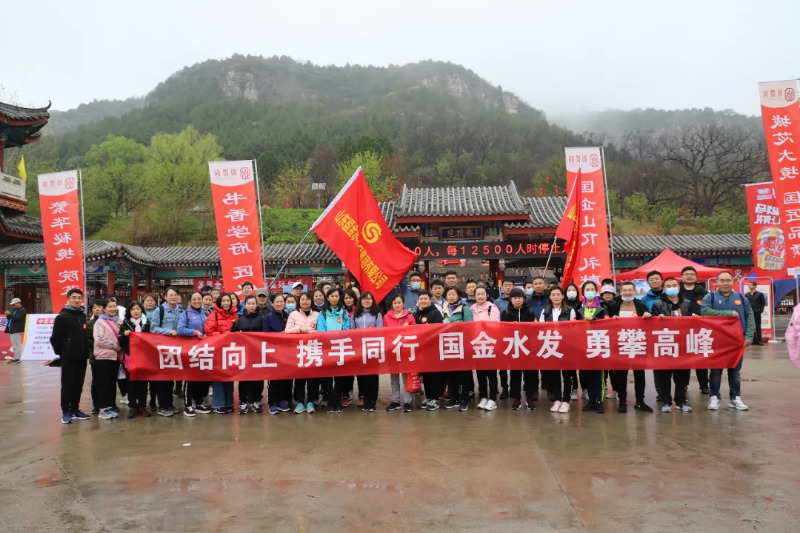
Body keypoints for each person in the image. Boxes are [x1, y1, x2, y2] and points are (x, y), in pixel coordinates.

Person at [701, 271, 754, 411]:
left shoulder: (741, 298)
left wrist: (749, 336)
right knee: (715, 370)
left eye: (728, 280)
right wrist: (728, 313)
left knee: (735, 371)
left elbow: (749, 316)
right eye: (722, 280)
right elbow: (705, 311)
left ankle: (735, 398)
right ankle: (714, 397)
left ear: (733, 282)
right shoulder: (710, 297)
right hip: (716, 340)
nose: (725, 283)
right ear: (717, 282)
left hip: (737, 341)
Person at [606, 282, 654, 413]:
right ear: (620, 292)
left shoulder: (641, 305)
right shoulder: (614, 305)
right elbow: (606, 320)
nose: (627, 292)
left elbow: (649, 322)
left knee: (639, 374)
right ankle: (622, 401)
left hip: (638, 343)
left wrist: (648, 316)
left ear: (634, 292)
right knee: (621, 374)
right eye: (625, 290)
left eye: (630, 290)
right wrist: (611, 318)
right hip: (620, 344)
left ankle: (640, 401)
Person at [651, 278, 694, 413]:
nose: (671, 288)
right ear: (664, 289)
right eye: (668, 286)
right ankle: (666, 401)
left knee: (682, 375)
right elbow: (651, 324)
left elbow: (693, 322)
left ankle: (681, 401)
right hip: (665, 342)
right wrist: (657, 319)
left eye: (674, 285)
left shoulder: (687, 303)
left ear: (679, 287)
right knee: (664, 375)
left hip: (682, 344)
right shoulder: (658, 304)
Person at [50, 289, 91, 424]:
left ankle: (75, 409)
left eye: (79, 297)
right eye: (73, 297)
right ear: (68, 299)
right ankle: (66, 411)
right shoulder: (62, 317)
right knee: (68, 385)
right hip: (68, 357)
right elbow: (55, 338)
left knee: (78, 385)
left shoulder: (82, 315)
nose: (76, 300)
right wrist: (63, 352)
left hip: (82, 356)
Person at [539, 286, 576, 413]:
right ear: (550, 297)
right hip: (551, 345)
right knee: (554, 375)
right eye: (553, 294)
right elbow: (540, 327)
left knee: (567, 375)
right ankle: (557, 399)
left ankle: (566, 401)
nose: (556, 297)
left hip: (566, 346)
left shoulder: (570, 310)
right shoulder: (545, 311)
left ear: (562, 296)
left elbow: (574, 328)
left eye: (558, 294)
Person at [148, 286, 183, 417]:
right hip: (162, 348)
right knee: (163, 378)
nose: (173, 297)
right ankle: (163, 406)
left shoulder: (181, 310)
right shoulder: (159, 310)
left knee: (171, 377)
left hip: (176, 349)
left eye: (175, 294)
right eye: (171, 295)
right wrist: (168, 332)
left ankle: (170, 405)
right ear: (165, 297)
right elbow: (153, 328)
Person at [501, 288, 538, 411]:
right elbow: (502, 330)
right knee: (515, 374)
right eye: (515, 298)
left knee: (530, 374)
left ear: (523, 299)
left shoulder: (530, 311)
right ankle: (516, 398)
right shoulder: (505, 313)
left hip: (528, 347)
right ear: (511, 299)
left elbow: (535, 329)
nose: (517, 300)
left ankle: (529, 397)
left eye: (520, 298)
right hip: (513, 347)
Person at [577, 281, 610, 414]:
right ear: (583, 292)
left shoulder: (603, 305)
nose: (589, 291)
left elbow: (607, 321)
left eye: (592, 289)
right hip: (584, 344)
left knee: (599, 375)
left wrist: (595, 320)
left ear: (596, 291)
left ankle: (599, 401)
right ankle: (591, 400)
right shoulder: (579, 305)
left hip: (599, 342)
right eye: (587, 289)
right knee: (588, 375)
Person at [316, 288, 351, 413]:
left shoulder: (343, 312)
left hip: (340, 347)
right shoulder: (323, 313)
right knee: (327, 377)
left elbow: (347, 328)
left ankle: (338, 402)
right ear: (328, 298)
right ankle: (331, 402)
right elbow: (320, 330)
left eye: (336, 296)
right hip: (327, 348)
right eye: (332, 296)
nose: (334, 298)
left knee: (339, 377)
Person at [176, 291, 210, 416]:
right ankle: (188, 405)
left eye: (199, 298)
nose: (197, 301)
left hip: (203, 350)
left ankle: (199, 403)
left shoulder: (206, 313)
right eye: (194, 299)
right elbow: (180, 329)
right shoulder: (186, 313)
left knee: (201, 377)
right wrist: (195, 332)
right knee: (190, 378)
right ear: (190, 301)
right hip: (190, 350)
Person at [204, 293, 239, 414]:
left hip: (230, 351)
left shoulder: (235, 316)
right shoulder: (213, 315)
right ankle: (218, 404)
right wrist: (224, 335)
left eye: (228, 300)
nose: (226, 303)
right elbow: (209, 331)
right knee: (219, 377)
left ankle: (229, 403)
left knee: (230, 377)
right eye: (223, 301)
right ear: (219, 302)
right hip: (217, 350)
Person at [285, 292, 319, 414]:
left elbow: (321, 330)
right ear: (299, 301)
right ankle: (300, 402)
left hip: (313, 349)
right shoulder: (293, 314)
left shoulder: (317, 315)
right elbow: (287, 331)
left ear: (311, 301)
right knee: (299, 377)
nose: (305, 302)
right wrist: (299, 329)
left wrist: (312, 332)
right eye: (303, 299)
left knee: (312, 378)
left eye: (308, 299)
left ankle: (310, 401)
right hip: (298, 350)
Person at [231, 295, 265, 414]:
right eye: (249, 303)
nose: (251, 306)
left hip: (258, 353)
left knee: (258, 378)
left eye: (253, 303)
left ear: (256, 305)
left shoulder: (261, 319)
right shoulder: (239, 320)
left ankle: (256, 401)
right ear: (244, 305)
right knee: (243, 378)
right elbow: (232, 335)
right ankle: (243, 402)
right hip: (244, 354)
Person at [442, 286, 474, 411]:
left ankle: (464, 399)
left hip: (463, 345)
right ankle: (454, 398)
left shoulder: (465, 309)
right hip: (449, 345)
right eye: (449, 294)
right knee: (451, 374)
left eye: (453, 294)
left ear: (458, 296)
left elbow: (470, 327)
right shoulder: (444, 309)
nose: (451, 296)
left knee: (465, 374)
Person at [413, 290, 445, 410]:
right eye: (421, 299)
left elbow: (440, 330)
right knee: (425, 375)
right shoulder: (416, 314)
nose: (423, 301)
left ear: (430, 300)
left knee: (434, 375)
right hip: (421, 349)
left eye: (425, 299)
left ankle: (435, 399)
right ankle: (428, 397)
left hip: (433, 348)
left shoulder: (435, 312)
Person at [680, 266, 710, 394]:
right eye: (686, 274)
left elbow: (709, 307)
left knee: (701, 358)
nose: (689, 276)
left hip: (700, 329)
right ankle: (683, 384)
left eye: (692, 274)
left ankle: (704, 385)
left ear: (696, 277)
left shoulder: (703, 292)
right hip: (682, 330)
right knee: (684, 359)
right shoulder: (677, 290)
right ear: (682, 277)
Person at [352, 291, 383, 412]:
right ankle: (364, 398)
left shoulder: (377, 314)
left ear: (373, 301)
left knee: (373, 376)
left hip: (372, 348)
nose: (367, 301)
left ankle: (372, 400)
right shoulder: (355, 314)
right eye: (364, 299)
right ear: (360, 301)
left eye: (369, 299)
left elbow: (380, 331)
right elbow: (352, 331)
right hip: (359, 349)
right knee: (362, 376)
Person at [119, 302, 152, 418]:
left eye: (138, 309)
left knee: (143, 383)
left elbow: (151, 339)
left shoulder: (146, 323)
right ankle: (132, 406)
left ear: (141, 310)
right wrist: (124, 335)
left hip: (144, 357)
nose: (136, 311)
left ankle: (142, 406)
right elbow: (120, 341)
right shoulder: (125, 324)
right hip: (130, 357)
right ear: (129, 312)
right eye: (133, 309)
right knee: (131, 382)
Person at [471, 286, 500, 410]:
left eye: (482, 293)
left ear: (487, 295)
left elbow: (495, 325)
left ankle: (492, 399)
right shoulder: (472, 308)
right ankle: (483, 397)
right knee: (480, 373)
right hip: (477, 344)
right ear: (474, 296)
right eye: (478, 294)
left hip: (489, 343)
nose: (480, 296)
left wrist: (482, 327)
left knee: (491, 373)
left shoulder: (491, 307)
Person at [93, 299, 122, 420]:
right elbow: (99, 340)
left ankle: (110, 406)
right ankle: (103, 409)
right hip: (103, 357)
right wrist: (115, 346)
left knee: (111, 383)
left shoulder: (119, 321)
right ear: (104, 309)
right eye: (109, 307)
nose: (112, 309)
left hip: (115, 357)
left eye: (114, 306)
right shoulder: (100, 322)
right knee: (103, 384)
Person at [264, 293, 292, 415]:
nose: (280, 304)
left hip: (287, 351)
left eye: (281, 301)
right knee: (274, 378)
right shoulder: (267, 317)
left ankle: (283, 400)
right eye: (277, 302)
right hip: (274, 351)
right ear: (272, 303)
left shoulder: (288, 315)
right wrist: (278, 336)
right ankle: (272, 402)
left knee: (286, 377)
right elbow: (265, 334)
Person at [4, 297, 26, 363]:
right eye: (12, 305)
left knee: (17, 344)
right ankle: (16, 357)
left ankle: (17, 358)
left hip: (16, 329)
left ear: (18, 303)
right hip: (12, 328)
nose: (12, 306)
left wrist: (9, 314)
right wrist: (8, 315)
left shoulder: (22, 310)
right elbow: (11, 318)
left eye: (13, 304)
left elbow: (17, 318)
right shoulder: (16, 310)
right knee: (14, 344)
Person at [745, 282, 766, 346]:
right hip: (749, 313)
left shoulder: (760, 294)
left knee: (758, 327)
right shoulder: (747, 294)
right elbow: (745, 304)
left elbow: (763, 304)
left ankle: (758, 340)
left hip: (757, 313)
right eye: (749, 285)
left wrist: (760, 311)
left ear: (754, 286)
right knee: (751, 326)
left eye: (750, 285)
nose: (749, 286)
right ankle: (753, 340)